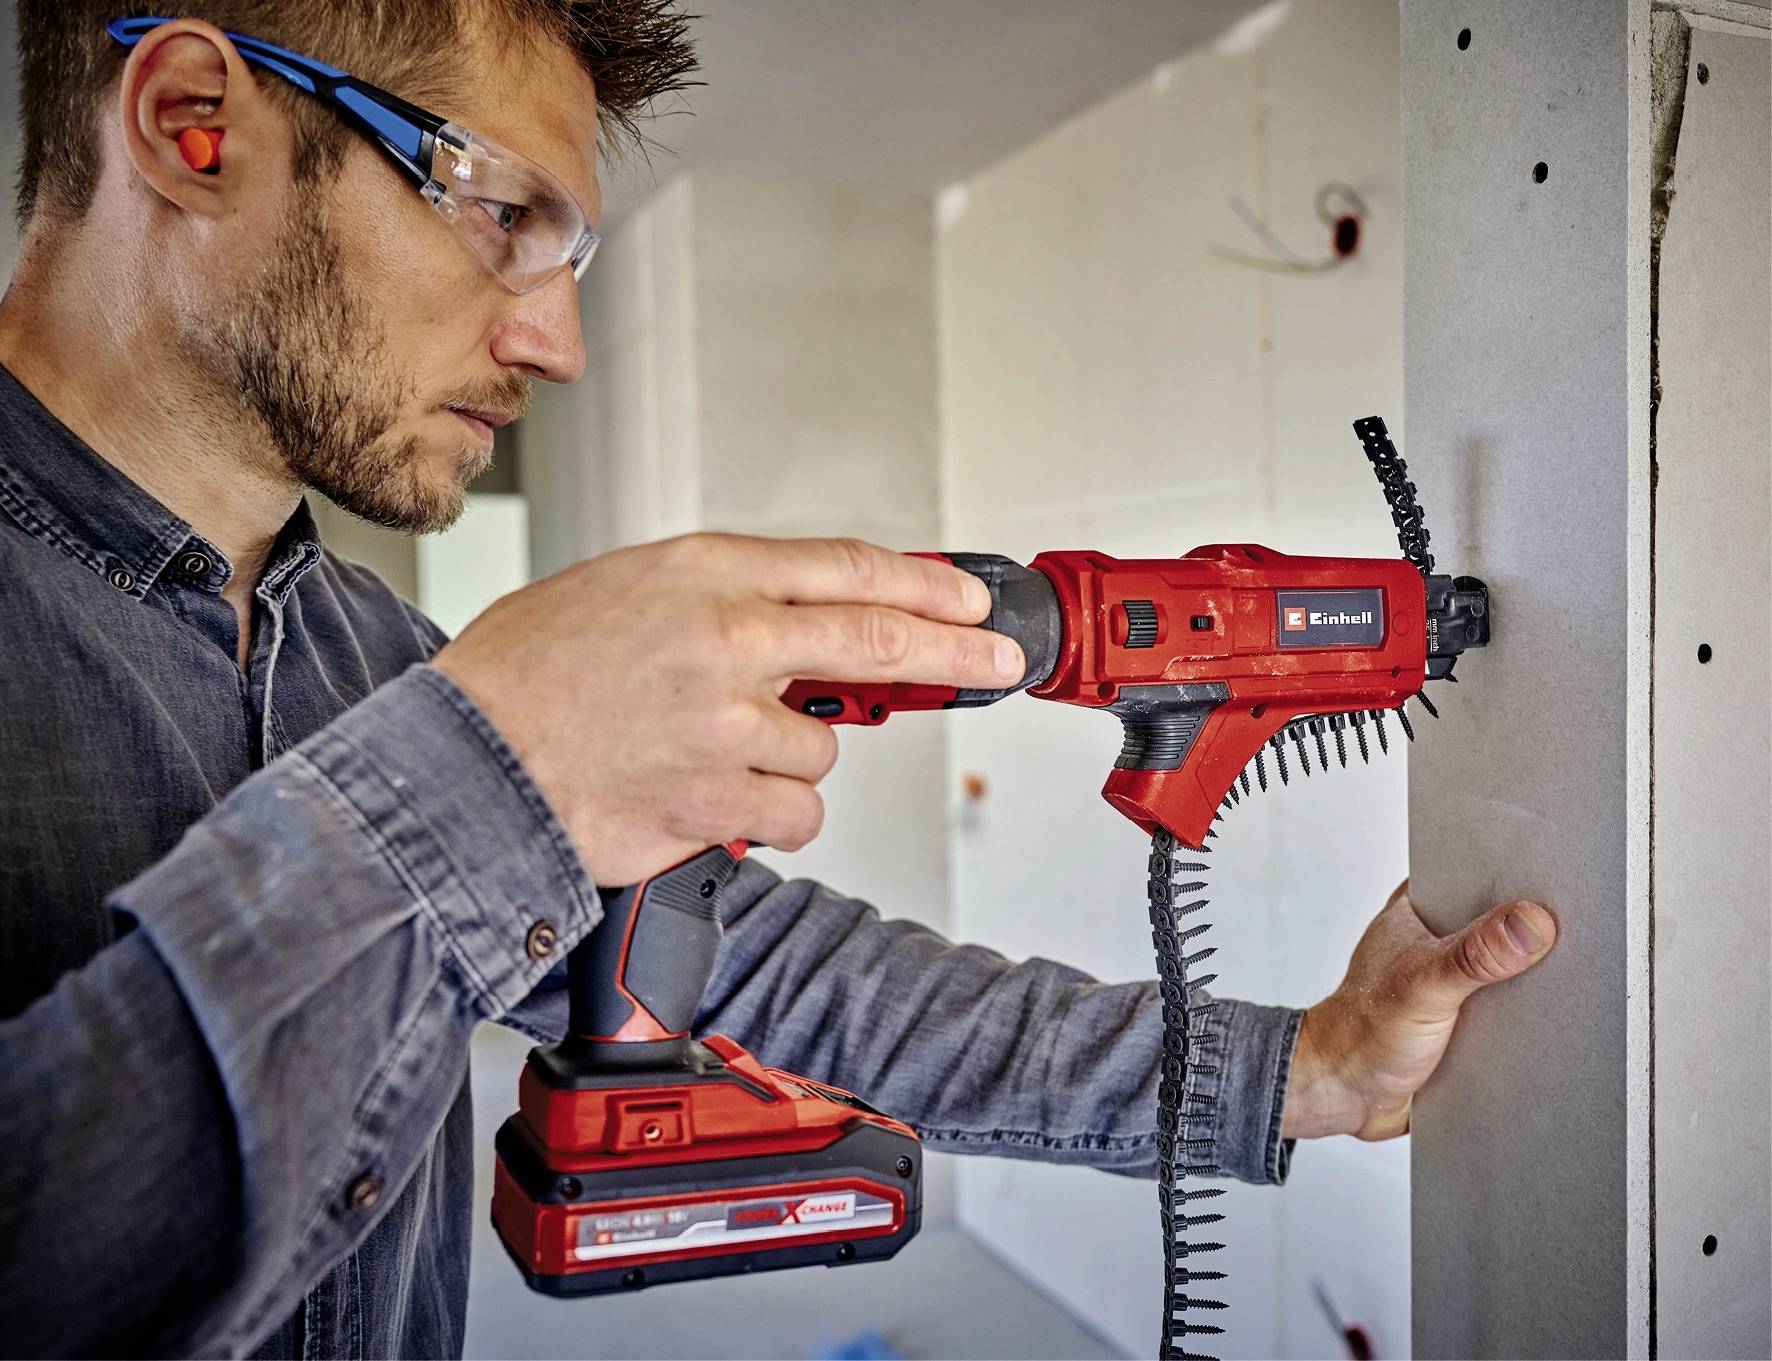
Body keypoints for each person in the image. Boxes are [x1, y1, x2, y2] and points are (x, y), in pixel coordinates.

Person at [0, 2, 1559, 1356]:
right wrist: (489, 769)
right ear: (196, 126)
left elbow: (785, 982)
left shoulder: (370, 655)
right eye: (498, 214)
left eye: (575, 252)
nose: (559, 344)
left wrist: (1307, 1070)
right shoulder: (436, 699)